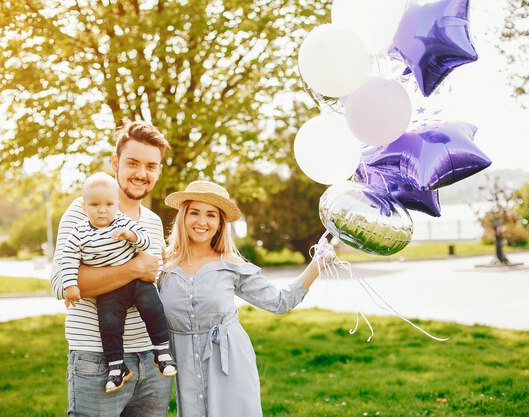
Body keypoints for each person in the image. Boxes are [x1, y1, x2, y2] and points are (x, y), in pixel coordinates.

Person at [158, 180, 330, 417]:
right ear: (183, 217)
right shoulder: (163, 266)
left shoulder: (230, 264)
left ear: (219, 224)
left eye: (211, 215)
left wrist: (317, 264)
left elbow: (279, 302)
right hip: (185, 366)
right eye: (194, 212)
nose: (202, 221)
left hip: (229, 365)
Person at [50, 120, 173, 416]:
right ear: (115, 162)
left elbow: (154, 282)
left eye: (151, 166)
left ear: (158, 170)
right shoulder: (82, 212)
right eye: (132, 163)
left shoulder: (153, 222)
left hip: (154, 360)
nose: (141, 173)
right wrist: (134, 268)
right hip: (96, 359)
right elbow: (61, 283)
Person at [61, 172, 176, 394]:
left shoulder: (124, 222)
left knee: (153, 306)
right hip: (110, 289)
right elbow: (68, 259)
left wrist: (131, 236)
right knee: (109, 322)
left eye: (109, 204)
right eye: (94, 205)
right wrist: (70, 285)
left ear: (117, 205)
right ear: (84, 207)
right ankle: (116, 366)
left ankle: (162, 351)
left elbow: (147, 242)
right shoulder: (79, 232)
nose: (102, 210)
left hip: (136, 283)